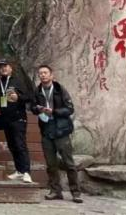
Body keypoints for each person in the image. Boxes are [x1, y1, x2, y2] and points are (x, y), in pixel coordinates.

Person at [31, 64, 81, 203]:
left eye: (45, 73)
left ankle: (75, 192)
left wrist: (54, 111)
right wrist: (38, 109)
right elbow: (32, 107)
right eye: (41, 73)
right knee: (51, 164)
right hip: (46, 129)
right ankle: (55, 191)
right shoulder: (37, 91)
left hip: (61, 129)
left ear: (51, 75)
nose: (43, 75)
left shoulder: (59, 89)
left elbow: (69, 109)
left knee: (69, 163)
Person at [0, 59, 32, 183]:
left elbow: (29, 97)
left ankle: (27, 172)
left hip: (18, 118)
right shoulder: (0, 82)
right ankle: (19, 170)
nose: (3, 69)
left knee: (20, 144)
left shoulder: (18, 81)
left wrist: (19, 97)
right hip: (6, 119)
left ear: (11, 68)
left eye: (5, 66)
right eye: (1, 67)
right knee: (12, 145)